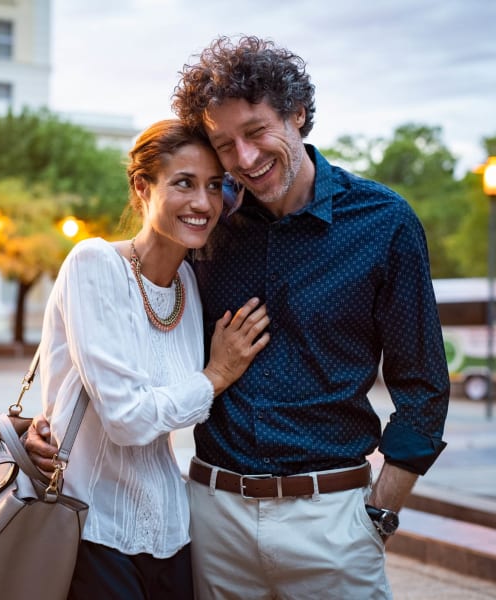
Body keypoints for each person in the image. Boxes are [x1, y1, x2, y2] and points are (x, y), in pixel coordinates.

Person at [28, 36, 450, 599]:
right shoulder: (206, 227)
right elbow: (114, 326)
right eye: (225, 145)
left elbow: (423, 388)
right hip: (210, 519)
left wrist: (379, 516)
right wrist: (48, 419)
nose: (245, 159)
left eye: (256, 132)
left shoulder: (383, 222)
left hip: (332, 521)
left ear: (297, 114)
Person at [34, 118, 270, 600]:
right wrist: (216, 376)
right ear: (143, 188)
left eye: (214, 186)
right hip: (93, 530)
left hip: (172, 534)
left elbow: (154, 411)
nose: (203, 203)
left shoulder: (188, 284)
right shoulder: (94, 265)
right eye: (184, 183)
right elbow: (126, 420)